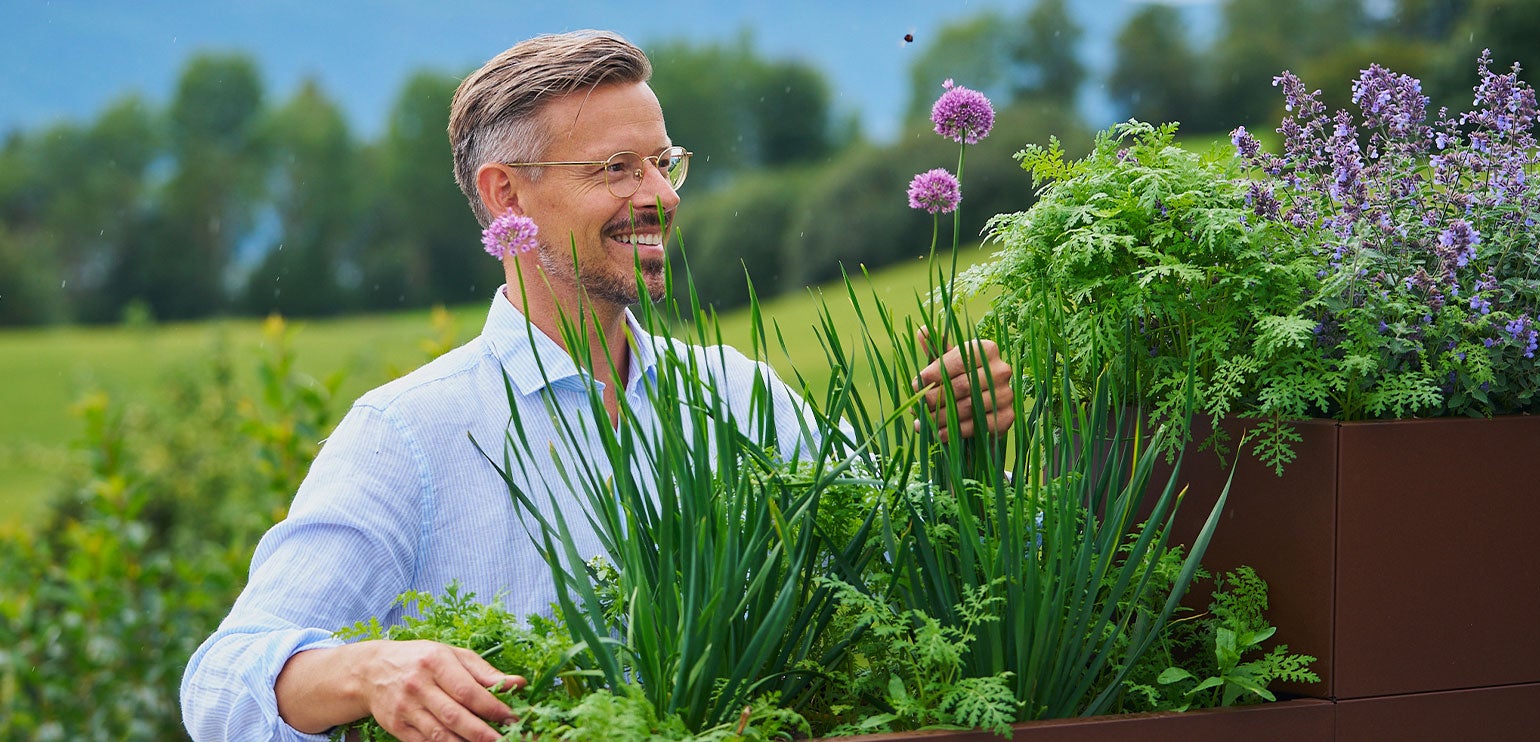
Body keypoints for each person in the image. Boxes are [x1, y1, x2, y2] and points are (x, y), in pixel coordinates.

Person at [180, 30, 1015, 742]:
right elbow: (219, 682)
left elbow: (916, 579)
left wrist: (963, 458)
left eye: (663, 162)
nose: (656, 197)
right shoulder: (408, 432)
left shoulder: (738, 397)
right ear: (507, 194)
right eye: (615, 168)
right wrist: (365, 671)